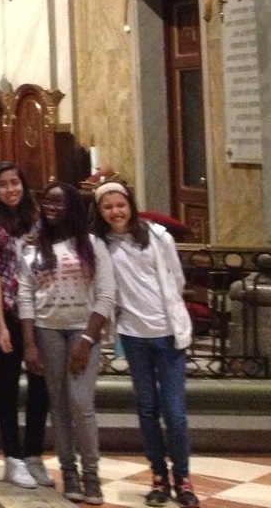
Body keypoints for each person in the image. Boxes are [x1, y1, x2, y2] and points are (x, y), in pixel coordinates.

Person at [93, 182, 197, 508]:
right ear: (99, 212)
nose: (115, 211)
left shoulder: (157, 236)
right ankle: (158, 476)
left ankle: (183, 478)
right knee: (147, 409)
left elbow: (176, 279)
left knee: (175, 411)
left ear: (131, 205)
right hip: (134, 337)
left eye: (120, 204)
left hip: (167, 334)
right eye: (107, 207)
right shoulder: (101, 245)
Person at [19, 181, 117, 505]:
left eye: (59, 203)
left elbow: (106, 295)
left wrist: (88, 339)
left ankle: (91, 474)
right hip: (47, 330)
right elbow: (25, 295)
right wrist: (29, 343)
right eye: (47, 202)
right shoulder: (32, 246)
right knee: (58, 405)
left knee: (80, 402)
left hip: (81, 330)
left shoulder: (91, 245)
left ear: (72, 207)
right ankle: (69, 473)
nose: (51, 208)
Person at [0, 161, 50, 488]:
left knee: (40, 385)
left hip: (41, 310)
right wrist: (1, 324)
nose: (10, 189)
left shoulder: (37, 218)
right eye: (3, 184)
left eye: (15, 183)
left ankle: (33, 454)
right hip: (7, 310)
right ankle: (12, 458)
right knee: (7, 386)